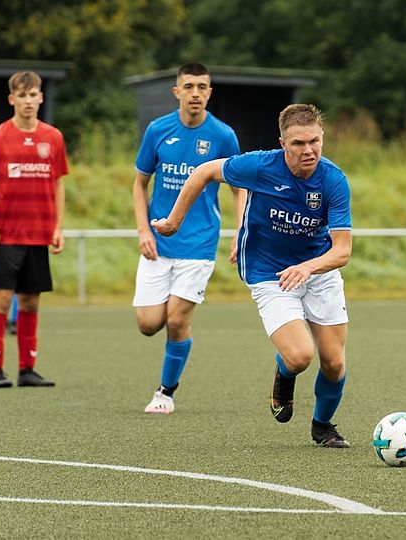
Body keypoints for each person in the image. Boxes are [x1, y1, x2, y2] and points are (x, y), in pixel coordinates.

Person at [151, 103, 354, 448]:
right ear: (283, 143)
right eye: (298, 143)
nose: (309, 150)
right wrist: (173, 221)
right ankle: (285, 371)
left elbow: (342, 251)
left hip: (317, 271)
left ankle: (323, 427)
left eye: (315, 141)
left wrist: (307, 267)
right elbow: (203, 172)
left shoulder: (333, 180)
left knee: (334, 363)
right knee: (300, 356)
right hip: (269, 271)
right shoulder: (259, 166)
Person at [132, 62, 243, 414]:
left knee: (178, 320)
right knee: (148, 324)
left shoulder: (223, 136)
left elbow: (239, 188)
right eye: (189, 86)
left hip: (199, 243)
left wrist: (240, 231)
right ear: (177, 91)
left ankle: (165, 392)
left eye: (202, 87)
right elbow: (139, 183)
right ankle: (172, 313)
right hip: (158, 243)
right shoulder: (157, 130)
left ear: (210, 92)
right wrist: (143, 230)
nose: (195, 93)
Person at [0, 70, 69, 388]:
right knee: (2, 300)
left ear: (41, 97)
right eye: (22, 95)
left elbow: (58, 184)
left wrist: (58, 227)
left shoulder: (53, 137)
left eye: (33, 95)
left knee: (30, 302)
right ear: (11, 98)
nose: (28, 101)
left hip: (39, 234)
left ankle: (27, 369)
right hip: (6, 234)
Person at [0, 181, 20, 335]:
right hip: (2, 241)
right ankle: (7, 319)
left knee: (16, 286)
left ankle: (14, 320)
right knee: (4, 288)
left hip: (18, 239)